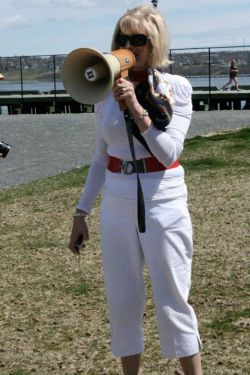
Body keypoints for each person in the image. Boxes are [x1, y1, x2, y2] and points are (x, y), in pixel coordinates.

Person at [68, 4, 202, 375]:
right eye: (121, 38)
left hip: (163, 198)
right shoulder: (103, 93)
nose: (128, 45)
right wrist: (81, 213)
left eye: (137, 39)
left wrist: (137, 107)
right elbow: (100, 159)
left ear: (155, 43)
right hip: (117, 201)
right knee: (123, 300)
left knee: (172, 300)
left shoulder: (176, 88)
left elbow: (169, 151)